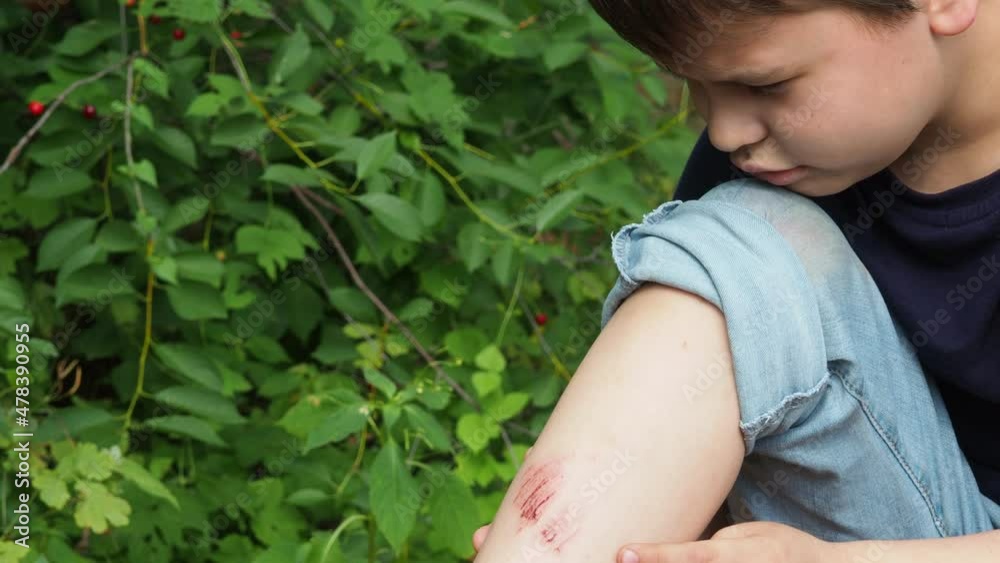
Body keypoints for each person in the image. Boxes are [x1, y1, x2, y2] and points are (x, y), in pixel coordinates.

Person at [468, 1, 1000, 562]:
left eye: (765, 85)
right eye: (694, 85)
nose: (724, 133)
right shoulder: (765, 182)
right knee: (740, 245)